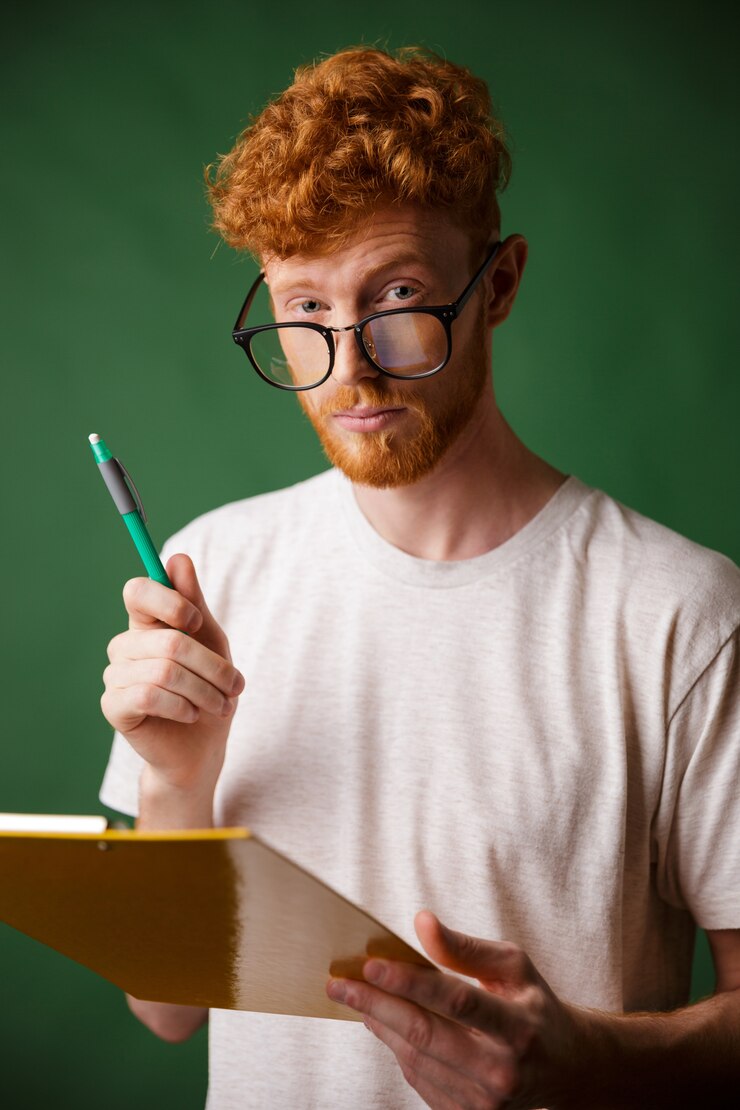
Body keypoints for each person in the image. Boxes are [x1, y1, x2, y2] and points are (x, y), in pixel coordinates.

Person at [99, 45, 740, 1109]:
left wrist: (587, 1060)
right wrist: (175, 777)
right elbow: (163, 1010)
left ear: (496, 285)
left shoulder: (677, 614)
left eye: (394, 294)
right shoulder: (218, 571)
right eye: (303, 310)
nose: (348, 366)